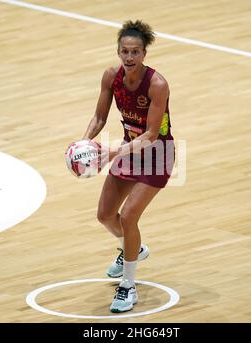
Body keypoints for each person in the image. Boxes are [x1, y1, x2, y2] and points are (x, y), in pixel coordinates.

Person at [81, 20, 175, 313]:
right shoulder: (112, 76)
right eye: (124, 51)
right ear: (118, 52)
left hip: (157, 153)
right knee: (105, 215)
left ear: (144, 53)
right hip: (128, 149)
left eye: (135, 52)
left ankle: (128, 287)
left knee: (129, 216)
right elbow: (99, 117)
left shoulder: (157, 84)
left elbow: (150, 134)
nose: (129, 57)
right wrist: (83, 143)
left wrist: (110, 152)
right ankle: (132, 249)